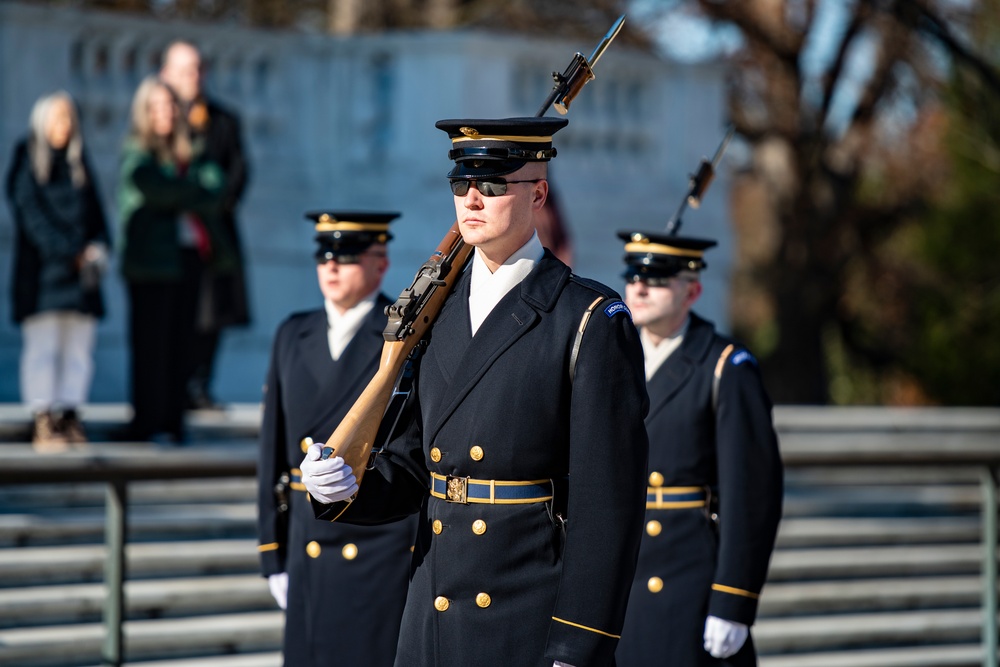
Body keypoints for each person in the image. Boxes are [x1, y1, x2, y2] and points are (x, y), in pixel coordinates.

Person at [300, 117, 650, 667]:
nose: (472, 199)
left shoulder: (587, 317)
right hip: (431, 609)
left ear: (538, 194)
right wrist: (344, 487)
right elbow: (418, 463)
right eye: (460, 184)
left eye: (491, 186)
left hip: (527, 617)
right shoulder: (437, 313)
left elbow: (608, 502)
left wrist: (579, 643)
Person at [612, 230, 784, 666]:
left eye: (658, 279)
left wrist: (734, 599)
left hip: (687, 579)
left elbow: (751, 497)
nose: (640, 287)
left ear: (693, 290)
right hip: (620, 581)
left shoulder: (725, 366)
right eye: (633, 275)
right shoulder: (613, 362)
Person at [257, 210, 417, 667]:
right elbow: (272, 449)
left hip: (373, 545)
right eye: (324, 255)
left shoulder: (401, 338)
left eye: (346, 257)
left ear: (380, 263)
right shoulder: (292, 333)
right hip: (307, 539)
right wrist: (273, 551)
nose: (331, 266)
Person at [115, 75, 236, 443]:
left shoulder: (193, 150)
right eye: (157, 106)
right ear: (144, 112)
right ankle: (146, 421)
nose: (166, 113)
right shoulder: (137, 152)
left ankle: (172, 422)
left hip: (189, 258)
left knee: (183, 342)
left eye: (171, 105)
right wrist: (189, 193)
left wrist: (179, 195)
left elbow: (216, 188)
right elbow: (154, 189)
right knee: (150, 344)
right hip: (150, 262)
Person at [4, 91, 110, 450]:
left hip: (81, 278)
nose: (64, 127)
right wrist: (70, 252)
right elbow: (30, 216)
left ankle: (70, 413)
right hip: (43, 277)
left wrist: (98, 248)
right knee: (43, 349)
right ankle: (44, 418)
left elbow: (97, 215)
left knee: (78, 350)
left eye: (69, 119)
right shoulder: (27, 158)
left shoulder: (79, 162)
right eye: (58, 118)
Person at [159, 40, 251, 410]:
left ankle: (199, 386)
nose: (193, 77)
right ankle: (170, 387)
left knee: (213, 313)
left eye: (198, 68)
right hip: (171, 237)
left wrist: (212, 204)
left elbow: (239, 172)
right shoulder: (159, 119)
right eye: (184, 69)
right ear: (166, 74)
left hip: (214, 235)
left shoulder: (223, 119)